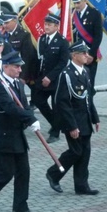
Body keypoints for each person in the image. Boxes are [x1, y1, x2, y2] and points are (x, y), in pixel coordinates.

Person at [0, 51, 40, 212]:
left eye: (20, 66)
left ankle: (20, 207)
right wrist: (30, 118)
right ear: (6, 66)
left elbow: (23, 106)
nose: (19, 69)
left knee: (24, 172)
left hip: (17, 136)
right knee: (4, 174)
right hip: (3, 137)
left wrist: (28, 119)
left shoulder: (18, 84)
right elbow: (10, 108)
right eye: (16, 66)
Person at [45, 41, 101, 195]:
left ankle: (81, 186)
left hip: (85, 120)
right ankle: (54, 173)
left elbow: (88, 98)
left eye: (86, 53)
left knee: (85, 153)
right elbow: (63, 104)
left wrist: (95, 118)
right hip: (74, 122)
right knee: (76, 152)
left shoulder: (85, 72)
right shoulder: (67, 75)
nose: (87, 56)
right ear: (74, 55)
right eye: (83, 53)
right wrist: (71, 126)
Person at [32, 13, 70, 144]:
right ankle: (56, 123)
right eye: (45, 24)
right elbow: (40, 60)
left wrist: (50, 76)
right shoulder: (42, 39)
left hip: (56, 79)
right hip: (43, 78)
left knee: (56, 105)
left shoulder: (62, 42)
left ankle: (55, 133)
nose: (46, 27)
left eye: (49, 25)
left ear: (56, 26)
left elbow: (63, 62)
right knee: (38, 100)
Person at [71, 0, 103, 89]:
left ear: (84, 1)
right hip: (76, 54)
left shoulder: (94, 13)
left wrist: (92, 54)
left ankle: (89, 104)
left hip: (89, 53)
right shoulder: (72, 13)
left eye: (78, 3)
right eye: (74, 3)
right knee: (77, 83)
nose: (76, 5)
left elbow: (98, 36)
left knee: (89, 83)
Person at [1, 12, 37, 86]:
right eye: (4, 23)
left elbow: (27, 58)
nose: (5, 25)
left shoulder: (24, 35)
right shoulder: (3, 35)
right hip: (6, 71)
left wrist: (23, 77)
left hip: (19, 72)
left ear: (14, 21)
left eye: (7, 23)